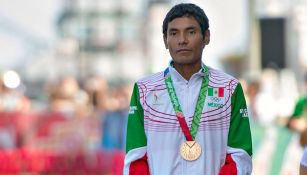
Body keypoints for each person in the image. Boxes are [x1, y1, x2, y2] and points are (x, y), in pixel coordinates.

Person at [124, 3, 252, 175]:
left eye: (190, 32)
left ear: (206, 36)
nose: (182, 40)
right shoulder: (144, 89)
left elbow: (240, 156)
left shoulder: (229, 88)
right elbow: (135, 158)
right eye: (174, 33)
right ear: (165, 40)